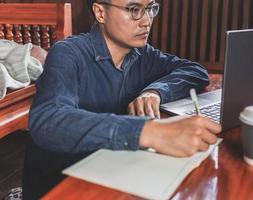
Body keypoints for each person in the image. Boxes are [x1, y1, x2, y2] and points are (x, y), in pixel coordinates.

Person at [22, 0, 221, 199]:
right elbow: (48, 119)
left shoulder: (143, 55)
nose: (146, 21)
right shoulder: (68, 53)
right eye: (134, 10)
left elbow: (195, 71)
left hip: (114, 170)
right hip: (62, 186)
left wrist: (155, 92)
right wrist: (148, 131)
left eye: (150, 9)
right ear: (100, 13)